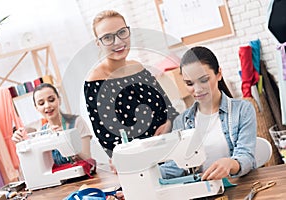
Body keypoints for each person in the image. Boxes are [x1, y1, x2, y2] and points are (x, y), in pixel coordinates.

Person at [84, 10, 179, 158]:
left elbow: (170, 112)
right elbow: (108, 140)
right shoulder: (96, 81)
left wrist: (168, 125)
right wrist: (147, 149)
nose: (118, 42)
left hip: (170, 150)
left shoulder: (139, 69)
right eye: (108, 37)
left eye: (122, 32)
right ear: (98, 43)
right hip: (139, 162)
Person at [162, 46, 257, 180]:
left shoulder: (242, 110)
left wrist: (230, 164)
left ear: (218, 74)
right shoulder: (181, 121)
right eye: (189, 83)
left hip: (241, 186)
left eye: (204, 80)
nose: (197, 89)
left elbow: (246, 156)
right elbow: (175, 167)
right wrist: (140, 176)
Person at [12, 83, 95, 168]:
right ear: (36, 107)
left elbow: (87, 158)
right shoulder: (42, 133)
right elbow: (39, 165)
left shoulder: (76, 122)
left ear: (59, 100)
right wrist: (20, 144)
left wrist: (65, 139)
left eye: (51, 100)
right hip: (60, 179)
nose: (47, 105)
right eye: (41, 103)